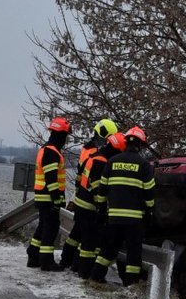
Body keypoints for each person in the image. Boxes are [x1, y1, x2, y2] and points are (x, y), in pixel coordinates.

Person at [90, 126, 155, 289]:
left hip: (113, 218)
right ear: (140, 145)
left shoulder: (112, 162)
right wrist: (149, 212)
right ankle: (131, 285)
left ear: (126, 143)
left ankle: (95, 276)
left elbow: (101, 190)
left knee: (108, 249)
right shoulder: (144, 166)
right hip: (134, 220)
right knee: (134, 253)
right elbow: (149, 193)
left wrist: (101, 209)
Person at [59, 118, 118, 273]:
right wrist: (101, 205)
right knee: (88, 240)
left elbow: (80, 177)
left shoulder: (88, 150)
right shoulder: (98, 157)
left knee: (75, 235)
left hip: (81, 198)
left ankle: (67, 261)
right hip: (89, 203)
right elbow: (96, 184)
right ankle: (82, 269)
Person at [73, 127, 126, 279]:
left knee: (84, 241)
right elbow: (97, 188)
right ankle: (84, 272)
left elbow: (80, 178)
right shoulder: (102, 162)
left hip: (81, 202)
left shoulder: (94, 156)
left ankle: (77, 266)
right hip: (89, 207)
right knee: (89, 244)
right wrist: (102, 208)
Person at [27, 117, 71, 270]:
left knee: (43, 226)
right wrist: (57, 198)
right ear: (61, 135)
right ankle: (46, 261)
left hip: (43, 196)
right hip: (49, 197)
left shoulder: (47, 149)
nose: (66, 139)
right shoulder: (51, 152)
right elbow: (51, 178)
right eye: (66, 135)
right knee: (50, 228)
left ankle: (33, 255)